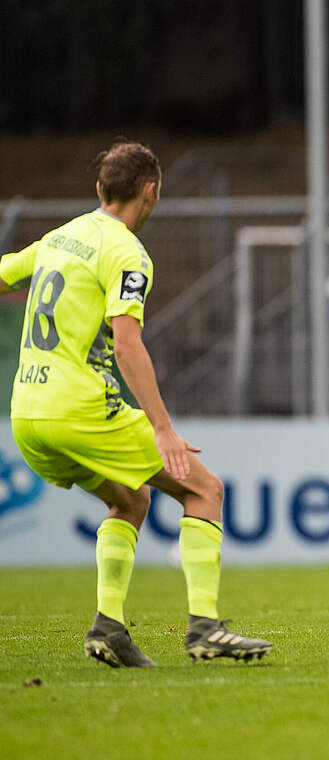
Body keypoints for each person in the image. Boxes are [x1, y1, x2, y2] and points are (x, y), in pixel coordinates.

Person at [0, 141, 273, 666]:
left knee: (131, 499)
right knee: (205, 489)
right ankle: (205, 630)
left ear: (100, 190)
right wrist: (164, 429)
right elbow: (126, 344)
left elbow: (6, 271)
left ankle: (109, 630)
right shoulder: (126, 252)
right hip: (79, 409)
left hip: (27, 414)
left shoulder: (62, 236)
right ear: (152, 191)